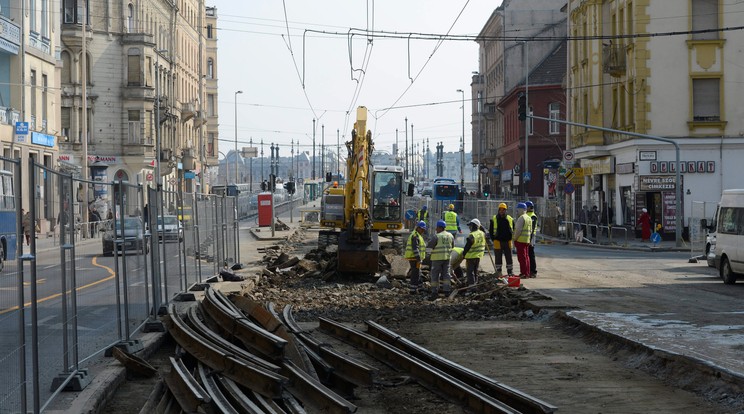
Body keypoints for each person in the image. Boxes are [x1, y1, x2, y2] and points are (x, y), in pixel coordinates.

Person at [426, 220, 454, 300]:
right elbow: (452, 246)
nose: (436, 229)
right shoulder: (450, 235)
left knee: (435, 275)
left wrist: (427, 256)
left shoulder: (436, 236)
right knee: (446, 274)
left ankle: (434, 292)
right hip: (447, 258)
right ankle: (447, 291)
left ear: (439, 227)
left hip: (437, 258)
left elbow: (429, 247)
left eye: (437, 228)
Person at [489, 203, 514, 277]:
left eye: (503, 210)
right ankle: (498, 271)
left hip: (508, 241)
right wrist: (493, 239)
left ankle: (510, 272)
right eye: (500, 210)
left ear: (506, 210)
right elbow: (491, 231)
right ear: (498, 210)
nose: (502, 211)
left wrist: (512, 238)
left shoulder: (510, 219)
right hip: (497, 241)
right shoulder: (494, 219)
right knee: (498, 257)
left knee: (509, 257)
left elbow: (513, 229)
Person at [461, 218, 486, 288]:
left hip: (471, 256)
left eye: (470, 226)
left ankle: (471, 286)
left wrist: (463, 254)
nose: (469, 227)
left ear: (474, 226)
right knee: (475, 271)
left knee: (470, 272)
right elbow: (485, 234)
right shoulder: (482, 233)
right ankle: (475, 283)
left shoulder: (472, 235)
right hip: (478, 256)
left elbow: (468, 245)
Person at [405, 221, 427, 294]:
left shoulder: (417, 235)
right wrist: (418, 258)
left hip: (415, 258)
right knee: (415, 273)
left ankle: (420, 288)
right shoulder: (415, 236)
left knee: (418, 272)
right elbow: (415, 248)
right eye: (422, 229)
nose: (423, 231)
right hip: (414, 258)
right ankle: (413, 290)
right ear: (418, 228)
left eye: (424, 230)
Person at [512, 202, 533, 278]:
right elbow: (530, 230)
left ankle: (523, 273)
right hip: (526, 240)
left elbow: (518, 230)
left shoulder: (521, 218)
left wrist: (515, 238)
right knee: (526, 257)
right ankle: (527, 272)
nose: (517, 212)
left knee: (522, 258)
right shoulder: (528, 218)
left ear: (521, 210)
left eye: (517, 210)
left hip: (520, 241)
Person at [525, 201, 538, 277]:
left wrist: (529, 240)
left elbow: (532, 229)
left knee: (531, 254)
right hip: (528, 237)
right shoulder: (527, 215)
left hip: (531, 237)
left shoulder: (532, 216)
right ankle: (529, 270)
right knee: (528, 254)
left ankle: (533, 271)